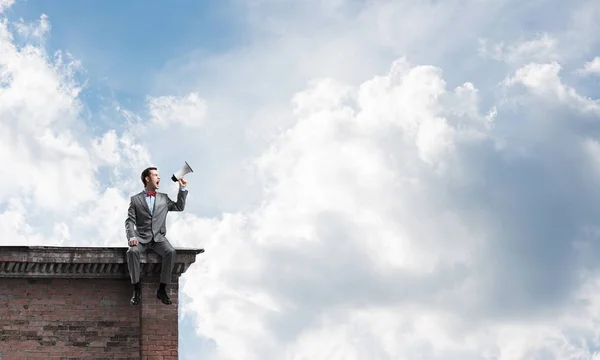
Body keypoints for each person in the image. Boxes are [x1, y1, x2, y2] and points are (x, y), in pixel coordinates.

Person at [125, 166, 188, 305]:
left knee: (171, 252)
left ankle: (162, 289)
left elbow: (179, 207)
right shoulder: (135, 200)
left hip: (159, 238)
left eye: (158, 175)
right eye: (155, 175)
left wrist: (182, 189)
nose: (159, 178)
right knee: (132, 253)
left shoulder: (164, 198)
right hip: (141, 238)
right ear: (147, 179)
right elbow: (130, 221)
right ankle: (136, 289)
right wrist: (132, 237)